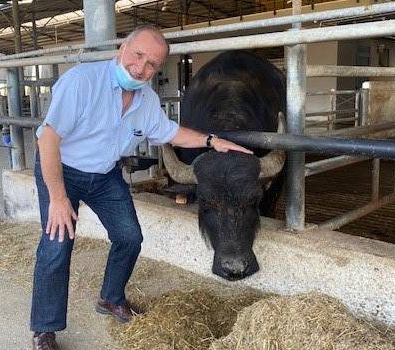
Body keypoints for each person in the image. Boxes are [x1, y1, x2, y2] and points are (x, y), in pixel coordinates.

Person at [31, 25, 252, 350]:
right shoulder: (82, 81)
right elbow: (48, 139)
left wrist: (212, 141)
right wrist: (58, 198)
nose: (142, 67)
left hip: (104, 175)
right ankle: (44, 329)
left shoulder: (146, 100)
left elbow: (171, 132)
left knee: (129, 236)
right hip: (62, 170)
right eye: (138, 55)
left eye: (152, 64)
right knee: (57, 245)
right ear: (123, 48)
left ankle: (111, 299)